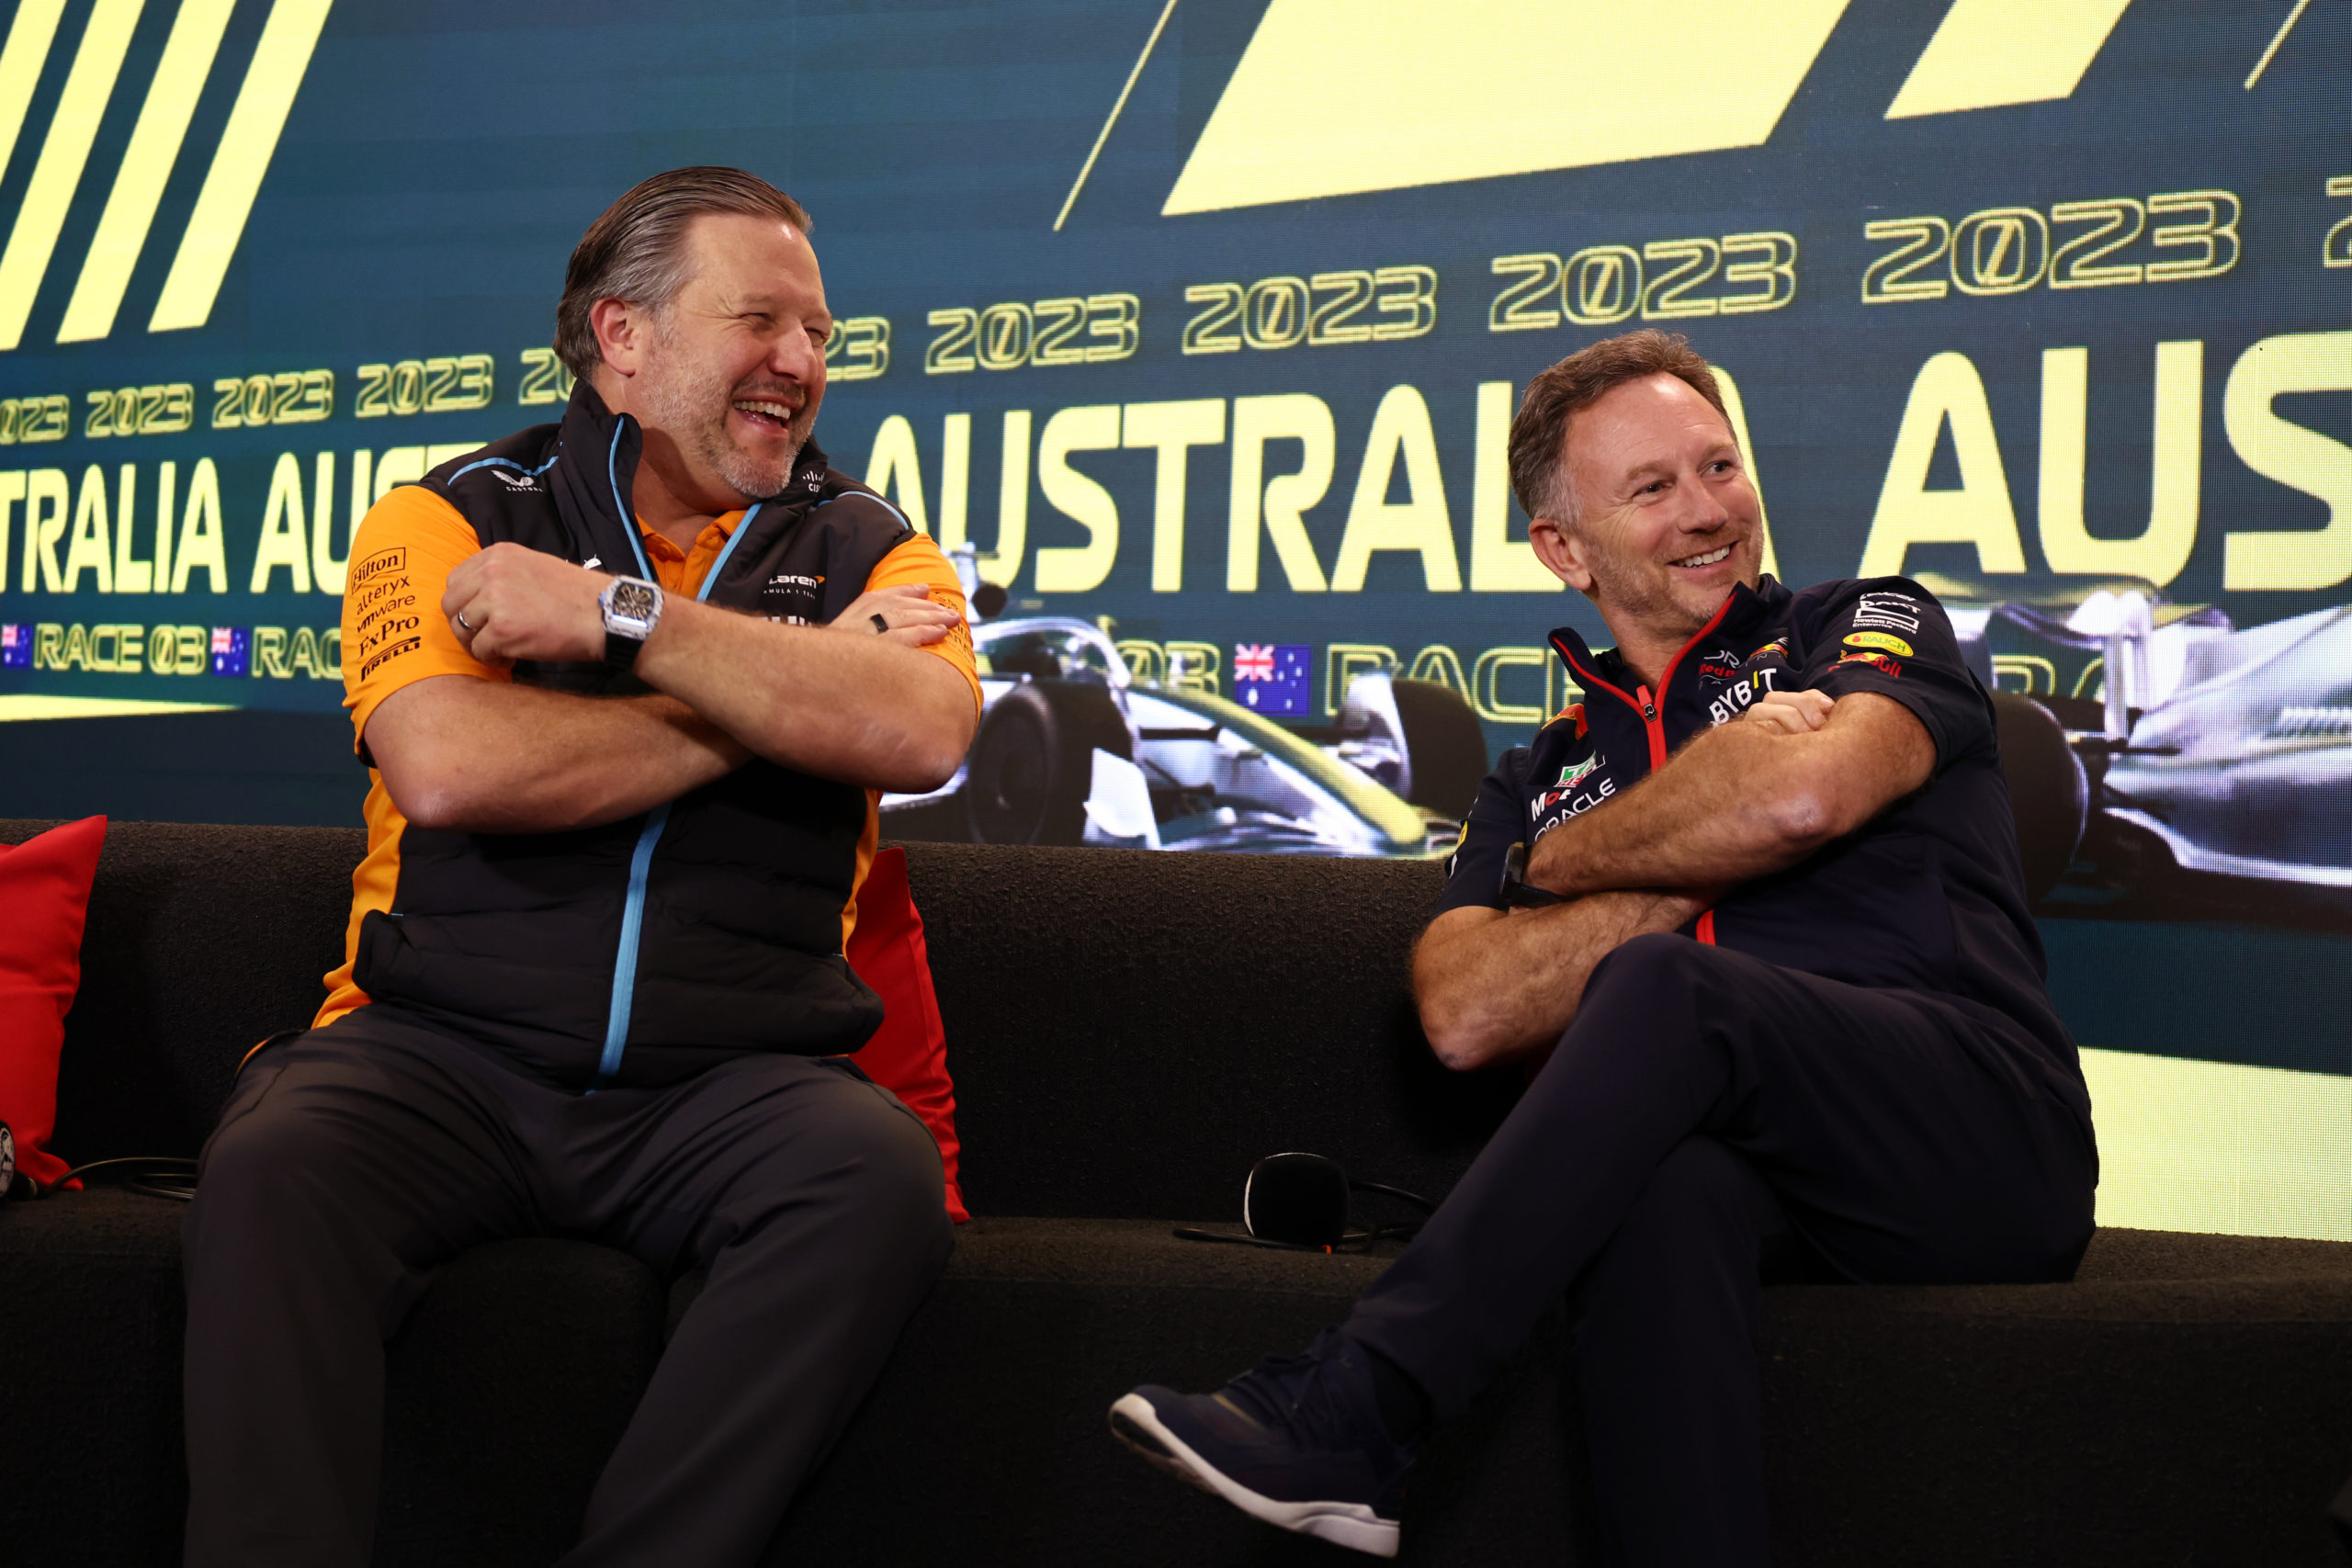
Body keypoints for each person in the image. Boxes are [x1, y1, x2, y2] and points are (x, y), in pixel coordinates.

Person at [1109, 329, 2098, 1562]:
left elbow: (1808, 797)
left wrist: (1573, 866)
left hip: (1980, 1133)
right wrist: (1699, 818)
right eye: (1653, 488)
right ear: (1565, 550)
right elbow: (1464, 1010)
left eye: (1720, 466)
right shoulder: (1532, 776)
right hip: (1772, 1178)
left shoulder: (1863, 622)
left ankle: (1365, 1404)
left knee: (1669, 987)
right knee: (1660, 1192)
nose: (1709, 511)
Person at [180, 167, 981, 1568]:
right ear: (623, 335)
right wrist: (782, 699)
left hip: (734, 1080)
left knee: (870, 1174)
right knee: (275, 1161)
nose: (800, 363)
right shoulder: (444, 518)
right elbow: (451, 766)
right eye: (759, 321)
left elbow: (920, 731)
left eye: (818, 333)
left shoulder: (874, 546)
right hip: (438, 1053)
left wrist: (624, 620)